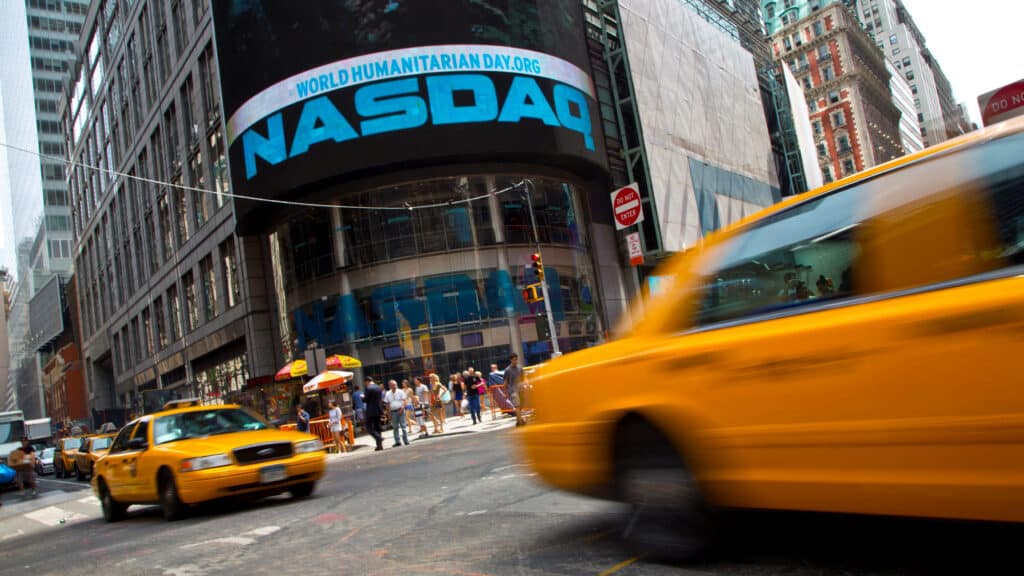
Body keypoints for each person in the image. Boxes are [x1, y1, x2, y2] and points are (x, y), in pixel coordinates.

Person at [384, 380, 410, 447]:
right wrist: (388, 414)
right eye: (392, 385)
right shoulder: (387, 393)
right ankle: (397, 441)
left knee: (403, 426)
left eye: (395, 384)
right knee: (395, 427)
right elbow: (387, 404)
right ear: (389, 386)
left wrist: (402, 408)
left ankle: (406, 440)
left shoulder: (400, 392)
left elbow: (405, 401)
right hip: (393, 412)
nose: (394, 386)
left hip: (400, 410)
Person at [363, 377, 385, 451]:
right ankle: (379, 445)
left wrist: (362, 397)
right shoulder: (378, 388)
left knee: (369, 427)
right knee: (377, 427)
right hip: (378, 410)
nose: (365, 384)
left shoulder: (368, 388)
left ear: (367, 381)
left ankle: (379, 438)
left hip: (371, 410)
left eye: (365, 383)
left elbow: (366, 399)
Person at [503, 353, 526, 426]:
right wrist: (505, 393)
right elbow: (505, 383)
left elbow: (523, 378)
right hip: (513, 390)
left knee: (521, 406)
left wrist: (525, 385)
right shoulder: (507, 370)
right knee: (517, 406)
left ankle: (518, 420)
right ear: (511, 360)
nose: (515, 361)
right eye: (514, 360)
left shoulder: (520, 368)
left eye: (516, 359)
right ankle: (520, 421)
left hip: (521, 389)